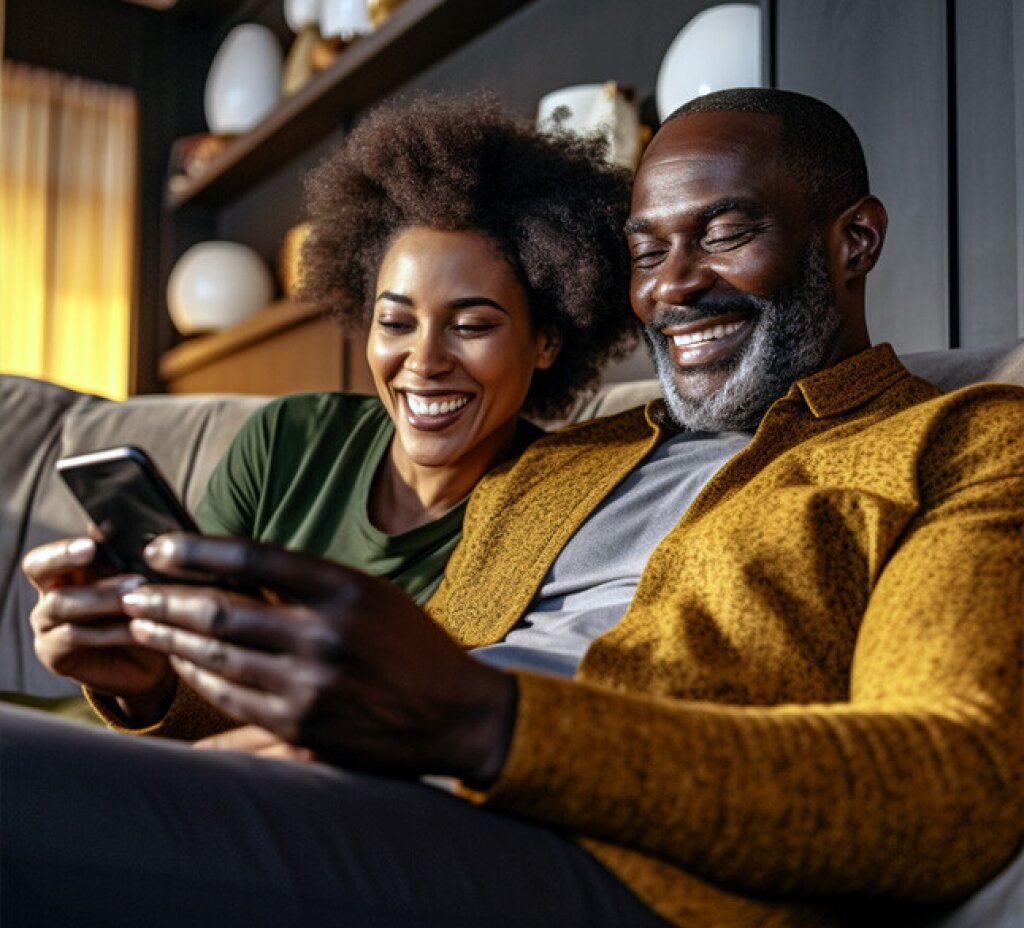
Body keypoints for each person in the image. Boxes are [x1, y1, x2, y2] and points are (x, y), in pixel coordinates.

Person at [5, 89, 1021, 928]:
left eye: (725, 232)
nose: (675, 286)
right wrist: (154, 689)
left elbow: (949, 781)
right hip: (388, 803)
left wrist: (485, 723)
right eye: (647, 248)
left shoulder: (964, 442)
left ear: (853, 240)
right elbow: (374, 707)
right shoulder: (562, 461)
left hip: (616, 869)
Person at [20, 93, 636, 729]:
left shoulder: (550, 513)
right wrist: (139, 680)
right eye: (395, 321)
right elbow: (179, 663)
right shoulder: (285, 438)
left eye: (472, 325)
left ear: (547, 341)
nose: (423, 360)